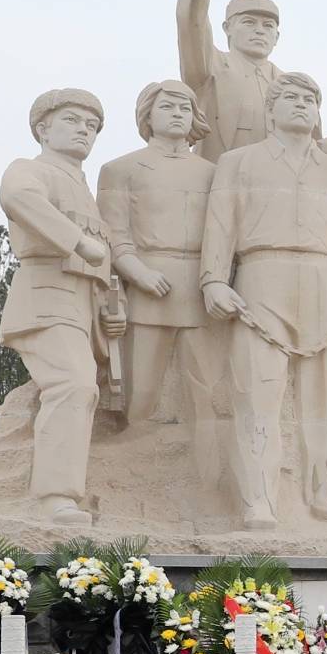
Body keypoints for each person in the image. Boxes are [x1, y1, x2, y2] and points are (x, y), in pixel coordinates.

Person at [199, 72, 327, 531]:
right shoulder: (239, 162)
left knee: (318, 401)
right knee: (258, 394)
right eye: (290, 97)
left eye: (310, 100)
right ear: (270, 110)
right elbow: (219, 225)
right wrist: (214, 279)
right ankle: (259, 500)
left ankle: (318, 494)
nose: (301, 105)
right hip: (261, 275)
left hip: (322, 278)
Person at [0, 88, 117, 523]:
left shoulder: (85, 189)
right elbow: (18, 199)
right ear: (43, 128)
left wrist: (107, 311)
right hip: (47, 293)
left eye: (92, 125)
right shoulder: (31, 170)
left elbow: (102, 260)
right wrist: (76, 239)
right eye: (72, 120)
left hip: (83, 303)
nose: (84, 130)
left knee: (85, 389)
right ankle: (54, 499)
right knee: (73, 384)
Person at [95, 78, 214, 430]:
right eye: (167, 107)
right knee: (140, 395)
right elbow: (113, 234)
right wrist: (139, 273)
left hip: (201, 287)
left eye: (184, 108)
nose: (177, 114)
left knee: (206, 390)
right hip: (149, 286)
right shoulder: (121, 170)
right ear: (148, 114)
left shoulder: (213, 173)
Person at [174, 0, 288, 160]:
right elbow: (191, 20)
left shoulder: (289, 85)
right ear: (228, 28)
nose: (260, 31)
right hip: (218, 183)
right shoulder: (211, 68)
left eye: (268, 26)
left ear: (277, 37)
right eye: (249, 22)